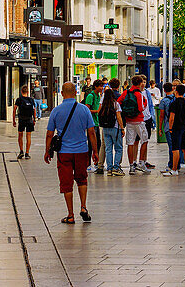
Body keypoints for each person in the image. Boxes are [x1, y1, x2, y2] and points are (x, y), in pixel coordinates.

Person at [44, 82, 97, 224]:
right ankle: (84, 207)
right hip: (81, 151)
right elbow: (91, 132)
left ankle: (70, 214)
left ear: (62, 93)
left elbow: (50, 134)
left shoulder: (56, 110)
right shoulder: (84, 110)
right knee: (82, 179)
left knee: (66, 184)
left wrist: (47, 151)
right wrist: (95, 152)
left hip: (64, 153)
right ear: (75, 93)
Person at [119, 75, 150, 174]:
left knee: (130, 143)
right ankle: (141, 163)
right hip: (139, 120)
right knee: (144, 140)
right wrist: (144, 104)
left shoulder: (125, 92)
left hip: (129, 121)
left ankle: (131, 165)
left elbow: (118, 102)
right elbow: (141, 108)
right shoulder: (139, 94)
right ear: (140, 83)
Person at [163, 85, 185, 175]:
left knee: (175, 149)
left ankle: (174, 169)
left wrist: (170, 128)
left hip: (176, 128)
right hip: (184, 128)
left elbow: (171, 118)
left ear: (176, 92)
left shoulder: (174, 104)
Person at [98, 80, 125, 176]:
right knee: (118, 148)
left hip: (105, 128)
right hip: (115, 128)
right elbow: (119, 117)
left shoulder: (103, 105)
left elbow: (99, 113)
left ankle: (109, 168)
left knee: (108, 149)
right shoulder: (115, 104)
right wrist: (122, 128)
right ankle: (116, 167)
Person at [82, 80, 104, 172]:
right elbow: (87, 109)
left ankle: (96, 163)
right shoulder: (91, 96)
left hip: (96, 122)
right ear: (96, 87)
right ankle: (88, 164)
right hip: (92, 123)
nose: (102, 88)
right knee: (91, 143)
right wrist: (97, 111)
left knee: (97, 143)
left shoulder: (98, 95)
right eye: (100, 86)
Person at [158, 82, 175, 170]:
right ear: (172, 89)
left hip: (168, 126)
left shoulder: (164, 101)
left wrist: (160, 128)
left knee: (171, 146)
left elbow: (161, 116)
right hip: (178, 125)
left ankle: (171, 164)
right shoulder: (176, 99)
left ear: (164, 90)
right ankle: (177, 163)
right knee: (177, 146)